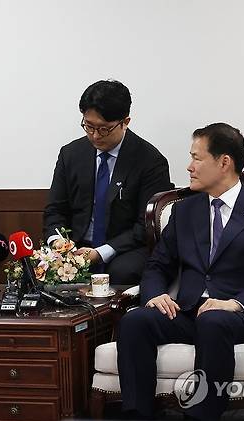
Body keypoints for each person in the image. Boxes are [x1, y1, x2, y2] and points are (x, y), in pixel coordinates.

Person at [116, 123, 244, 420]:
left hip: (239, 317)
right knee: (136, 321)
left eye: (197, 158)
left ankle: (202, 416)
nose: (189, 166)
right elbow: (158, 265)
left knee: (214, 321)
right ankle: (138, 414)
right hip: (187, 311)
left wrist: (234, 304)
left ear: (224, 162)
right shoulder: (184, 211)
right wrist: (155, 294)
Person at [43, 80, 173, 284]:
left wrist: (101, 252)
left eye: (104, 129)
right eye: (89, 126)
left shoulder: (150, 161)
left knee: (122, 271)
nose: (95, 136)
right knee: (38, 268)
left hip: (123, 248)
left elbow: (144, 226)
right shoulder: (70, 154)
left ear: (125, 122)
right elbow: (55, 210)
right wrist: (58, 241)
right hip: (76, 245)